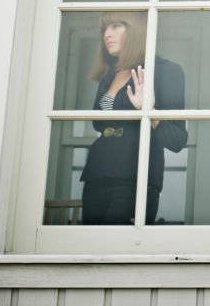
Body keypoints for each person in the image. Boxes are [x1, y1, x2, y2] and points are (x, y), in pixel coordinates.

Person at [80, 12, 187, 224]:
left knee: (119, 247)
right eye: (105, 29)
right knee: (91, 244)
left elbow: (177, 140)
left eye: (116, 26)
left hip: (135, 176)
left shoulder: (166, 71)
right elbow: (99, 123)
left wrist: (149, 111)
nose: (107, 34)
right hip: (97, 173)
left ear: (137, 31)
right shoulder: (109, 74)